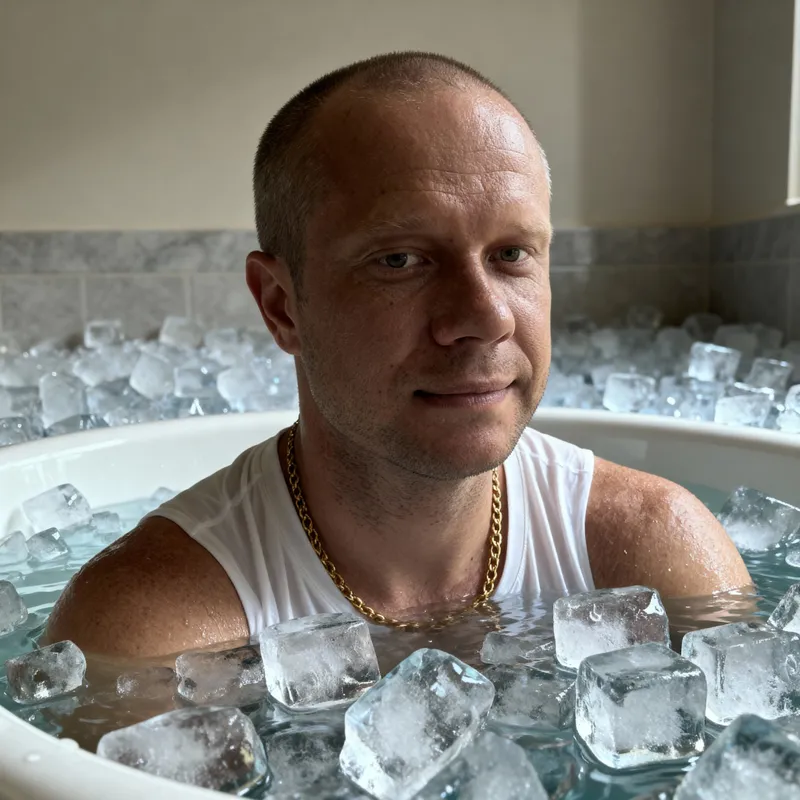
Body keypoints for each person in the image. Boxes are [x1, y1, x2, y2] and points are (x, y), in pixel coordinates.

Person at [44, 52, 750, 659]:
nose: (483, 317)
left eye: (511, 254)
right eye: (401, 259)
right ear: (281, 306)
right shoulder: (152, 632)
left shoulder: (655, 554)